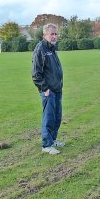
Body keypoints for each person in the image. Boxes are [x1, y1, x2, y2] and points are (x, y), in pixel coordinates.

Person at [31, 23, 65, 154]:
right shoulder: (41, 49)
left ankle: (53, 140)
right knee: (49, 117)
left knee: (57, 116)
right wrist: (45, 89)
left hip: (57, 89)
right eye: (52, 34)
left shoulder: (52, 49)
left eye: (56, 34)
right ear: (44, 35)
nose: (54, 36)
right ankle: (46, 145)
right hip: (48, 91)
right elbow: (36, 73)